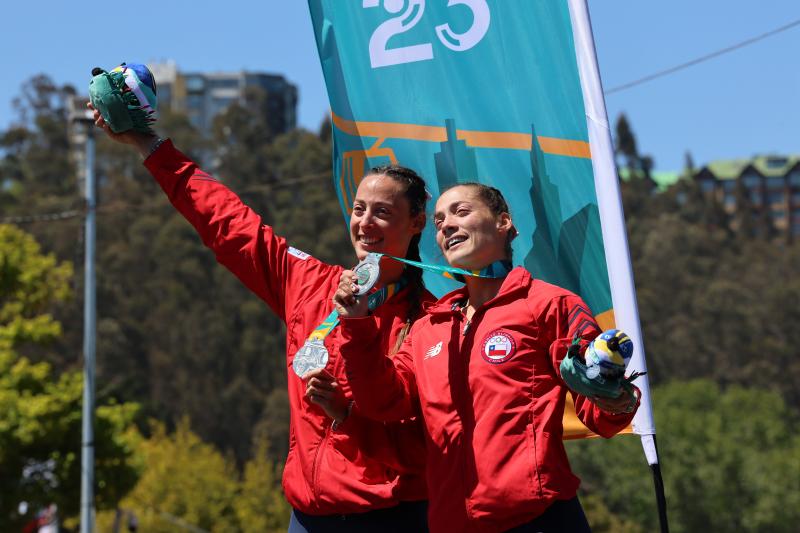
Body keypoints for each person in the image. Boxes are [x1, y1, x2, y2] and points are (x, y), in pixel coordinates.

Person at [89, 103, 434, 532]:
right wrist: (146, 143)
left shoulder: (432, 318)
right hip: (308, 516)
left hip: (392, 518)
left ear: (417, 221)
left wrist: (346, 401)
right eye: (359, 208)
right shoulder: (309, 283)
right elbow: (228, 223)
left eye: (382, 212)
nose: (365, 223)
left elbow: (404, 420)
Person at [327, 183, 640, 532]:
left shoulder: (548, 305)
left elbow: (602, 412)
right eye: (439, 221)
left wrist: (613, 396)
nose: (445, 226)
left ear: (504, 222)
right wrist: (357, 325)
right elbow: (383, 403)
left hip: (538, 520)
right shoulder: (429, 328)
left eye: (461, 212)